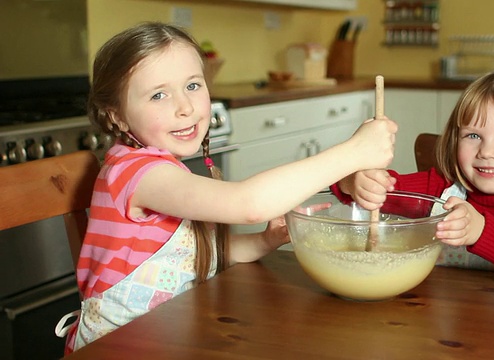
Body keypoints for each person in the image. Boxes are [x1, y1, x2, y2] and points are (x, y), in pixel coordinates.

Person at [57, 22, 397, 353]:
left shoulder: (158, 167)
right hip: (117, 346)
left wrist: (261, 242)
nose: (185, 107)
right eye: (158, 94)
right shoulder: (136, 174)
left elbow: (188, 257)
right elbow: (248, 204)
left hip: (171, 333)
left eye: (192, 86)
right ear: (116, 116)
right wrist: (353, 153)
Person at [331, 69, 494, 296]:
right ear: (455, 139)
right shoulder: (437, 190)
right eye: (473, 135)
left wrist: (482, 231)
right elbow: (373, 189)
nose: (487, 151)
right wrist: (354, 182)